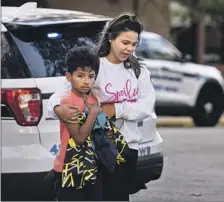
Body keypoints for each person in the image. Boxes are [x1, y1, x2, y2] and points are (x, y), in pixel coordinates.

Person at [48, 13, 156, 201]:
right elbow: (61, 94)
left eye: (134, 44)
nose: (129, 49)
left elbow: (146, 105)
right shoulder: (95, 66)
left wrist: (116, 109)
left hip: (129, 147)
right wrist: (57, 108)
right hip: (100, 148)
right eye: (125, 43)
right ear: (110, 37)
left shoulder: (138, 70)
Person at [53, 46, 103, 201]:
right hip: (69, 168)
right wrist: (93, 113)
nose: (86, 81)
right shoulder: (68, 101)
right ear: (69, 77)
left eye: (91, 76)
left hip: (91, 167)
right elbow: (79, 138)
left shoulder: (93, 99)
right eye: (80, 76)